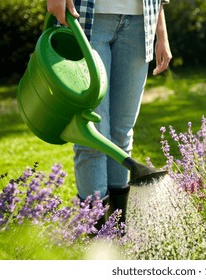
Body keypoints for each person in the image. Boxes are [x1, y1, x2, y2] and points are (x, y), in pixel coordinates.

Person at [46, 0, 172, 224]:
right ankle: (95, 231)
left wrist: (162, 33)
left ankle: (117, 228)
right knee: (92, 134)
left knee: (121, 133)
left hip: (140, 22)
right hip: (86, 18)